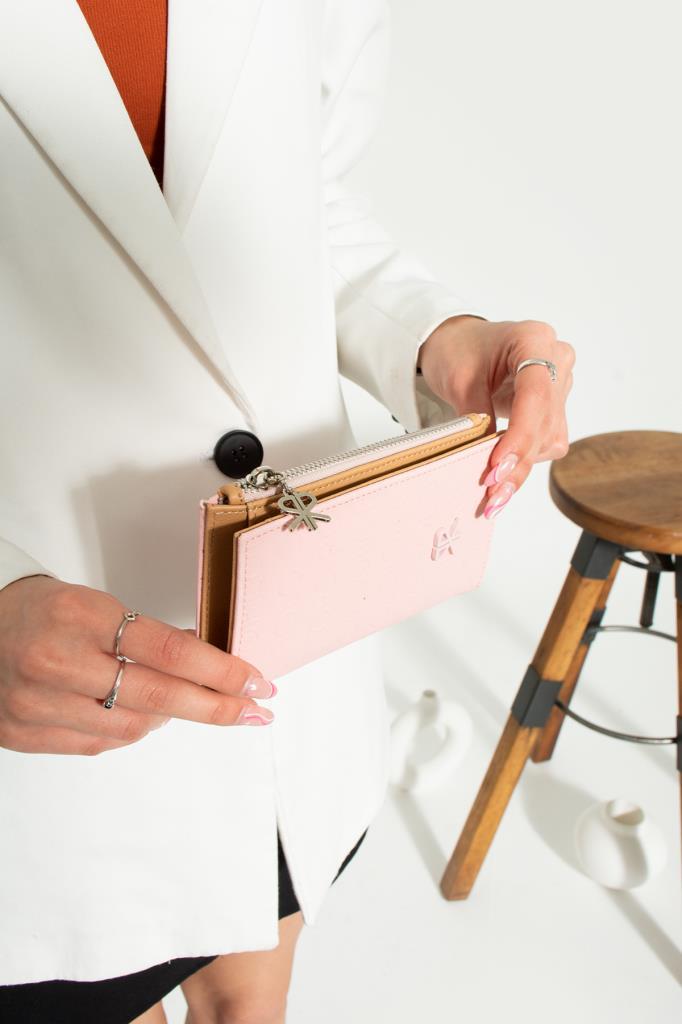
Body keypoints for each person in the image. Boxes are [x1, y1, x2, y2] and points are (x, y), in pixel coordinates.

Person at [0, 1, 574, 1022]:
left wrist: (432, 336)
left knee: (252, 991)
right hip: (49, 737)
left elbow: (298, 191)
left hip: (292, 689)